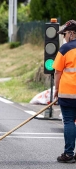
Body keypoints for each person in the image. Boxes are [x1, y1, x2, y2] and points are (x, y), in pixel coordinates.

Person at [53, 20, 76, 163]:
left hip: (68, 93)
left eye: (65, 34)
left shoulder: (65, 49)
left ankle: (68, 154)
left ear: (72, 33)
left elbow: (57, 72)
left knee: (68, 121)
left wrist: (56, 90)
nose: (64, 37)